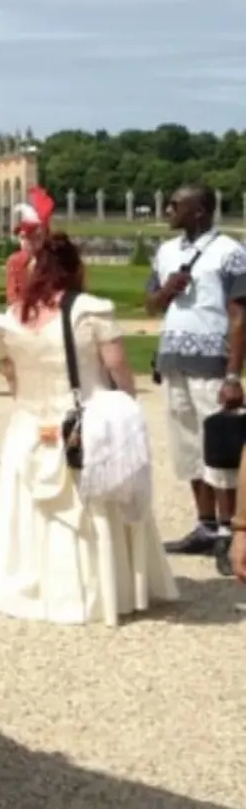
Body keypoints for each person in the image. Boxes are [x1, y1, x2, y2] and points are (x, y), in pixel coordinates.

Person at [0, 233, 177, 625]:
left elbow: (10, 375)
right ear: (75, 268)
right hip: (83, 422)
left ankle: (36, 584)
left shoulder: (10, 318)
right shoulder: (90, 311)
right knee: (93, 511)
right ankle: (104, 590)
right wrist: (126, 405)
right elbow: (118, 367)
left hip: (28, 424)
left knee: (31, 515)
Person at [145, 184, 246, 563]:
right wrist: (167, 290)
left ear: (200, 210)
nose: (168, 209)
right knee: (188, 447)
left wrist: (233, 375)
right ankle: (205, 525)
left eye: (176, 205)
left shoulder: (230, 253)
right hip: (173, 359)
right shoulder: (166, 252)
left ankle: (229, 530)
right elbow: (150, 304)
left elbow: (239, 316)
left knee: (220, 448)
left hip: (212, 362)